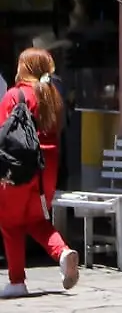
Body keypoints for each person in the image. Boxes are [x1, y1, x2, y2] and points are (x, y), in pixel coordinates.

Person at [0, 48, 79, 298]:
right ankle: (63, 252)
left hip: (19, 166)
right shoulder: (52, 95)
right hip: (48, 168)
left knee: (10, 222)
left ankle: (16, 281)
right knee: (35, 219)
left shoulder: (15, 95)